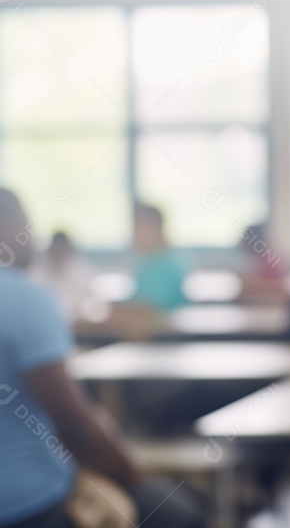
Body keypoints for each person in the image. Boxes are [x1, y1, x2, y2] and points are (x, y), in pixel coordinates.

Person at [0, 188, 202, 527]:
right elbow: (77, 427)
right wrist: (135, 477)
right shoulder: (26, 300)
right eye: (24, 222)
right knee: (174, 513)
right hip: (31, 509)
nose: (32, 234)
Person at [129, 203, 188, 311]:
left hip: (162, 326)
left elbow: (148, 310)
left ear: (155, 229)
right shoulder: (149, 262)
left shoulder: (165, 266)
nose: (134, 236)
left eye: (138, 229)